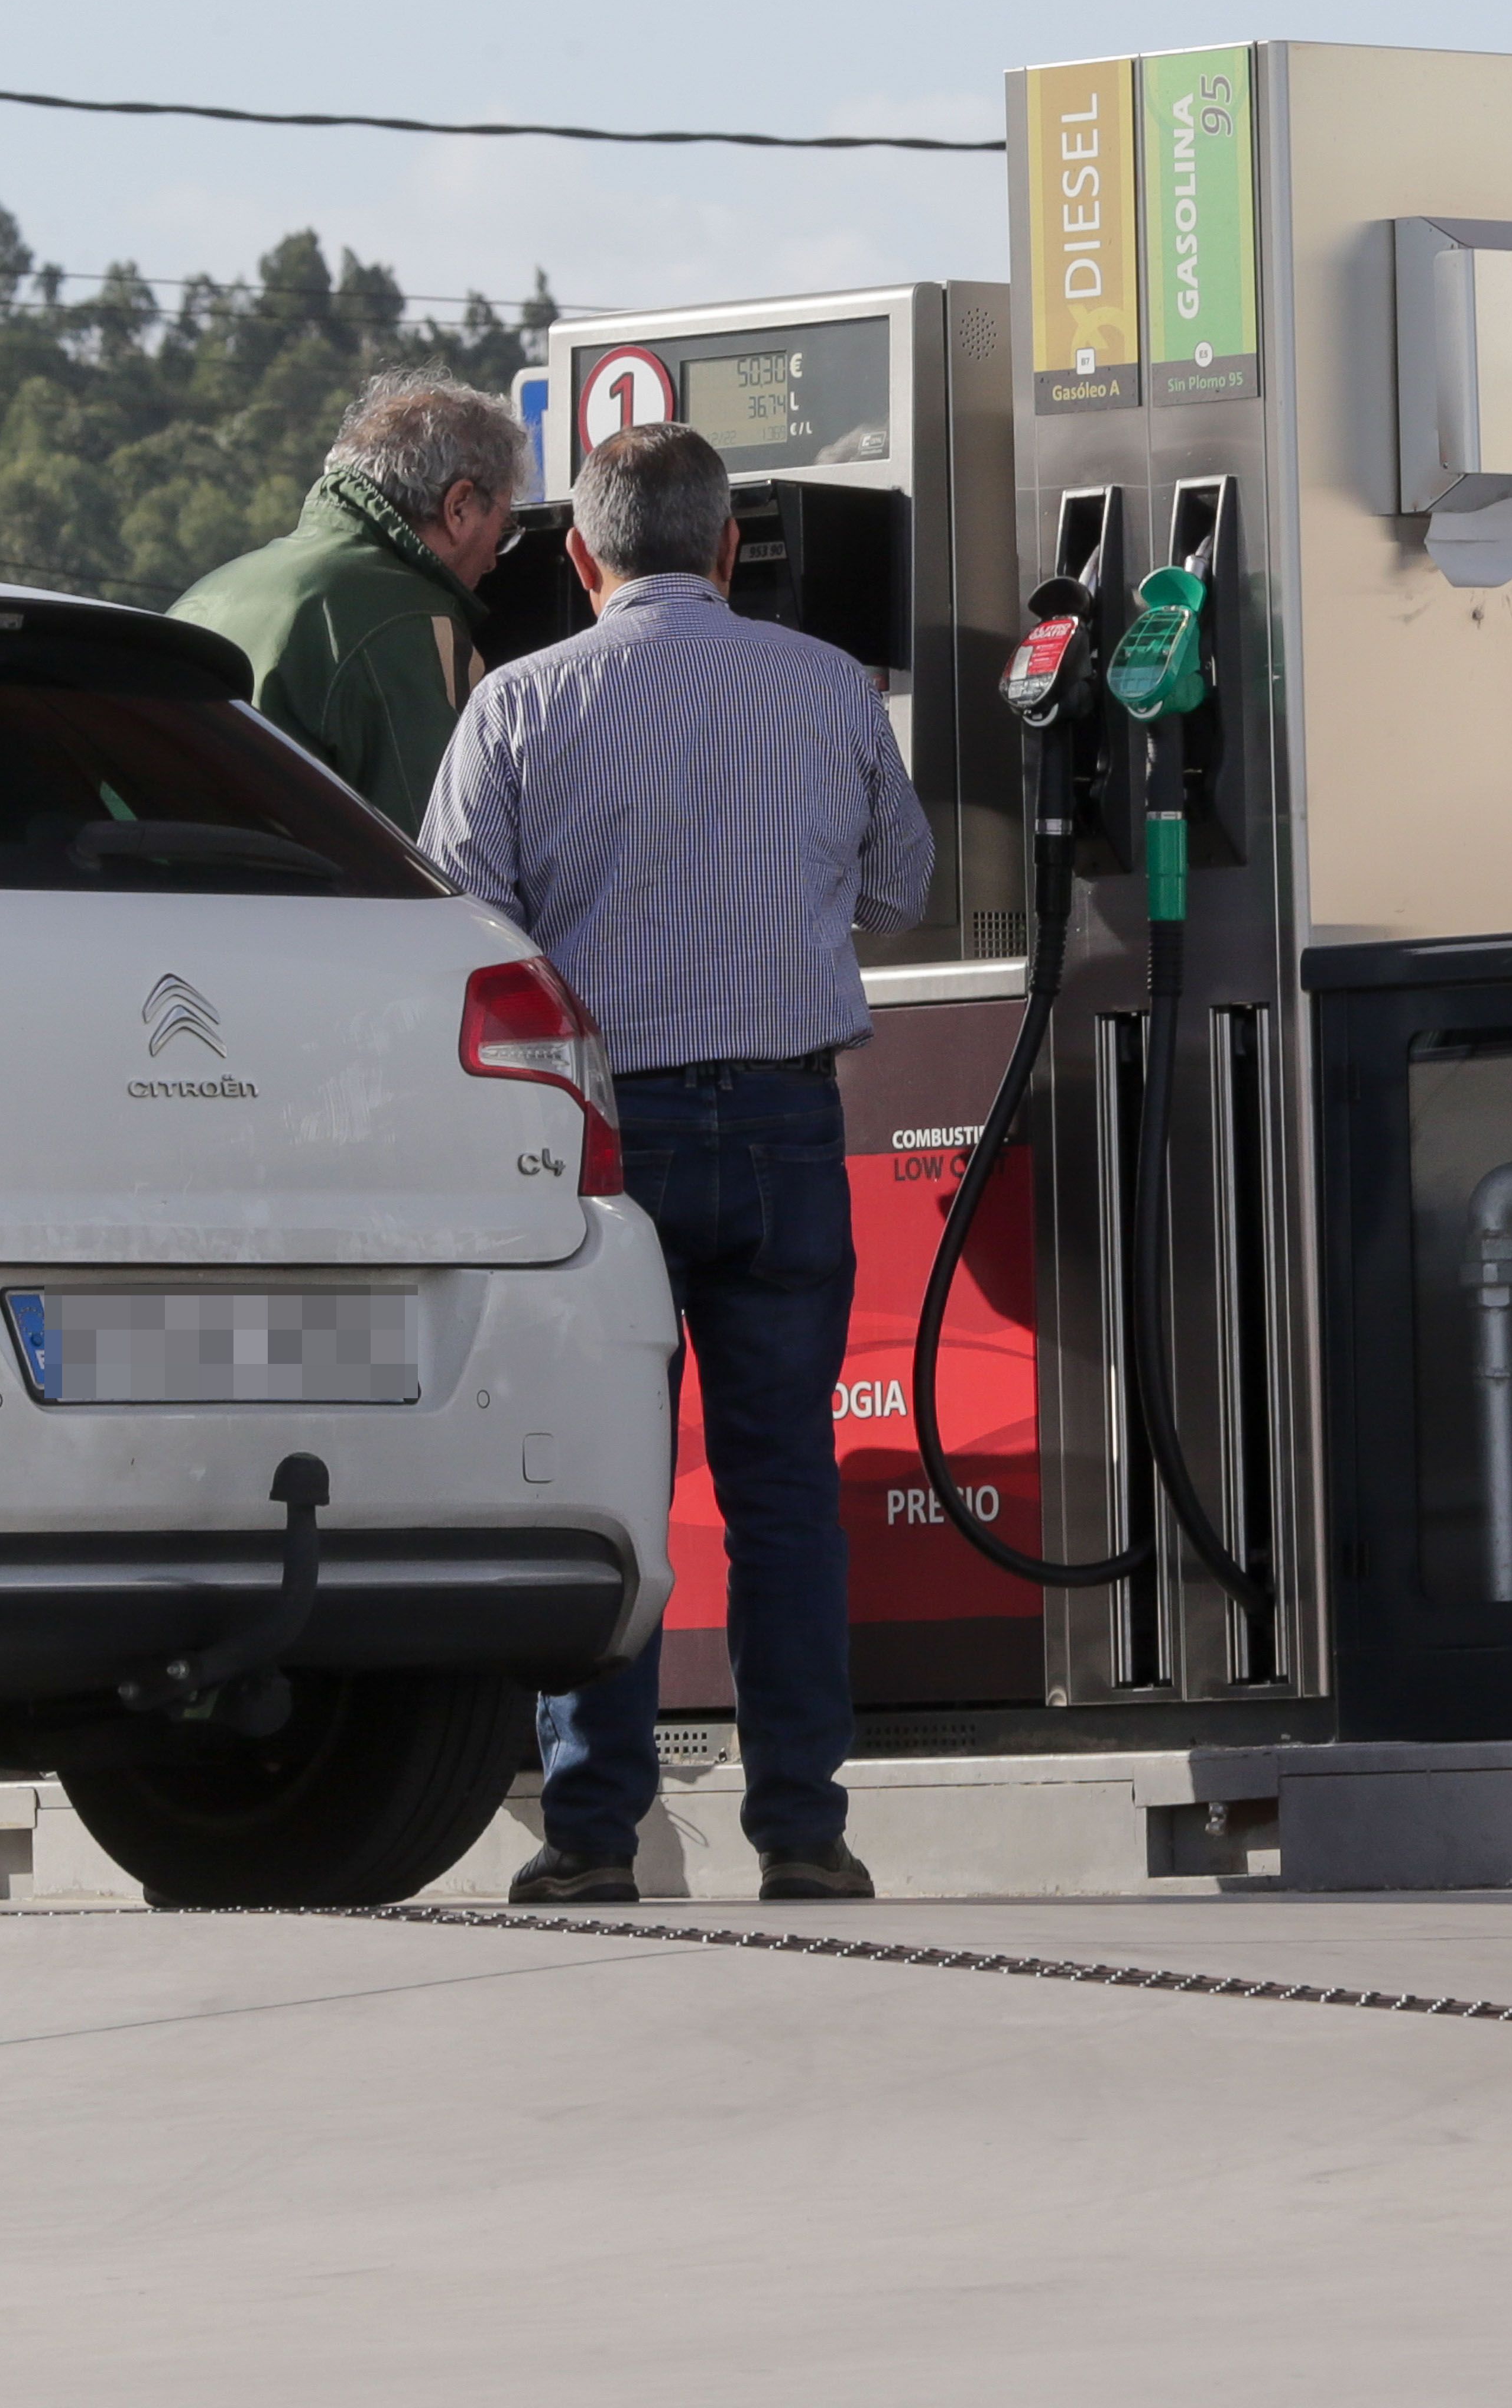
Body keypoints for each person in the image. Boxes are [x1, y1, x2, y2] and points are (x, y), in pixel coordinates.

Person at [421, 420, 931, 1906]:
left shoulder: (516, 705)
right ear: (727, 550)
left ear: (578, 557)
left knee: (609, 1487)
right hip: (782, 1127)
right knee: (784, 1490)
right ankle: (803, 1833)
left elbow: (460, 928)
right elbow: (900, 882)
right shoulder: (827, 686)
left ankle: (593, 1836)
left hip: (600, 1148)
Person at [170, 372, 531, 830]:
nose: (495, 561)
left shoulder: (203, 595)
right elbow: (441, 847)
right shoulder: (412, 624)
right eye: (503, 530)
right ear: (458, 506)